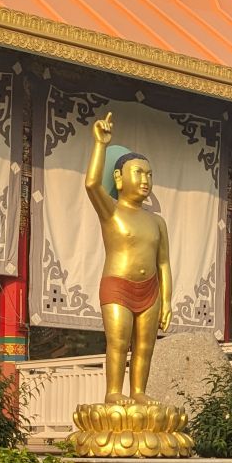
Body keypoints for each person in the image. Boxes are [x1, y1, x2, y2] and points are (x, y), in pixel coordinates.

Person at [84, 112, 171, 402]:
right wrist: (100, 144)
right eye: (138, 173)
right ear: (119, 178)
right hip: (118, 285)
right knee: (118, 343)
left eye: (149, 174)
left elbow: (163, 263)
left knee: (145, 347)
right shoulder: (111, 211)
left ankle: (139, 391)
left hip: (151, 290)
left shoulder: (156, 221)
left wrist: (167, 301)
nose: (145, 180)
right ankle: (113, 392)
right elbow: (92, 184)